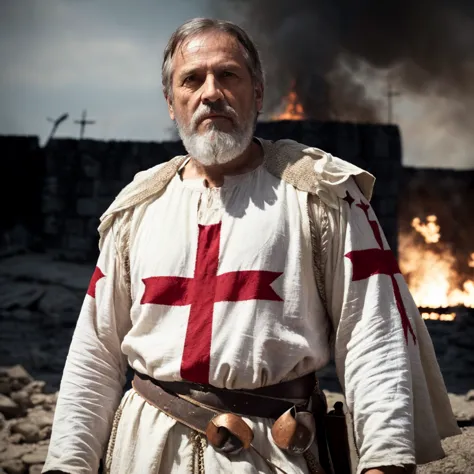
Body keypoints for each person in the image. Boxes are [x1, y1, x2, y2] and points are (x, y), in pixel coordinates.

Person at [43, 17, 460, 474]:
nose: (210, 93)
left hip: (273, 454)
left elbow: (372, 334)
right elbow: (95, 352)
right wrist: (68, 464)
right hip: (146, 452)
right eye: (192, 79)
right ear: (171, 102)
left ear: (257, 94)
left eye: (228, 75)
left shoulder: (321, 192)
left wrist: (384, 459)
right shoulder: (138, 208)